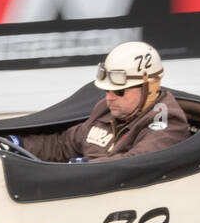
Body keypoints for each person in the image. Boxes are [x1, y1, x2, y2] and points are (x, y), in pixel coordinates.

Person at [15, 42, 190, 162]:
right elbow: (63, 144)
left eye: (120, 91)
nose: (109, 97)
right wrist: (17, 144)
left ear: (149, 88)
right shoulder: (106, 110)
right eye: (107, 90)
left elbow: (135, 163)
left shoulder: (167, 123)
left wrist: (83, 168)